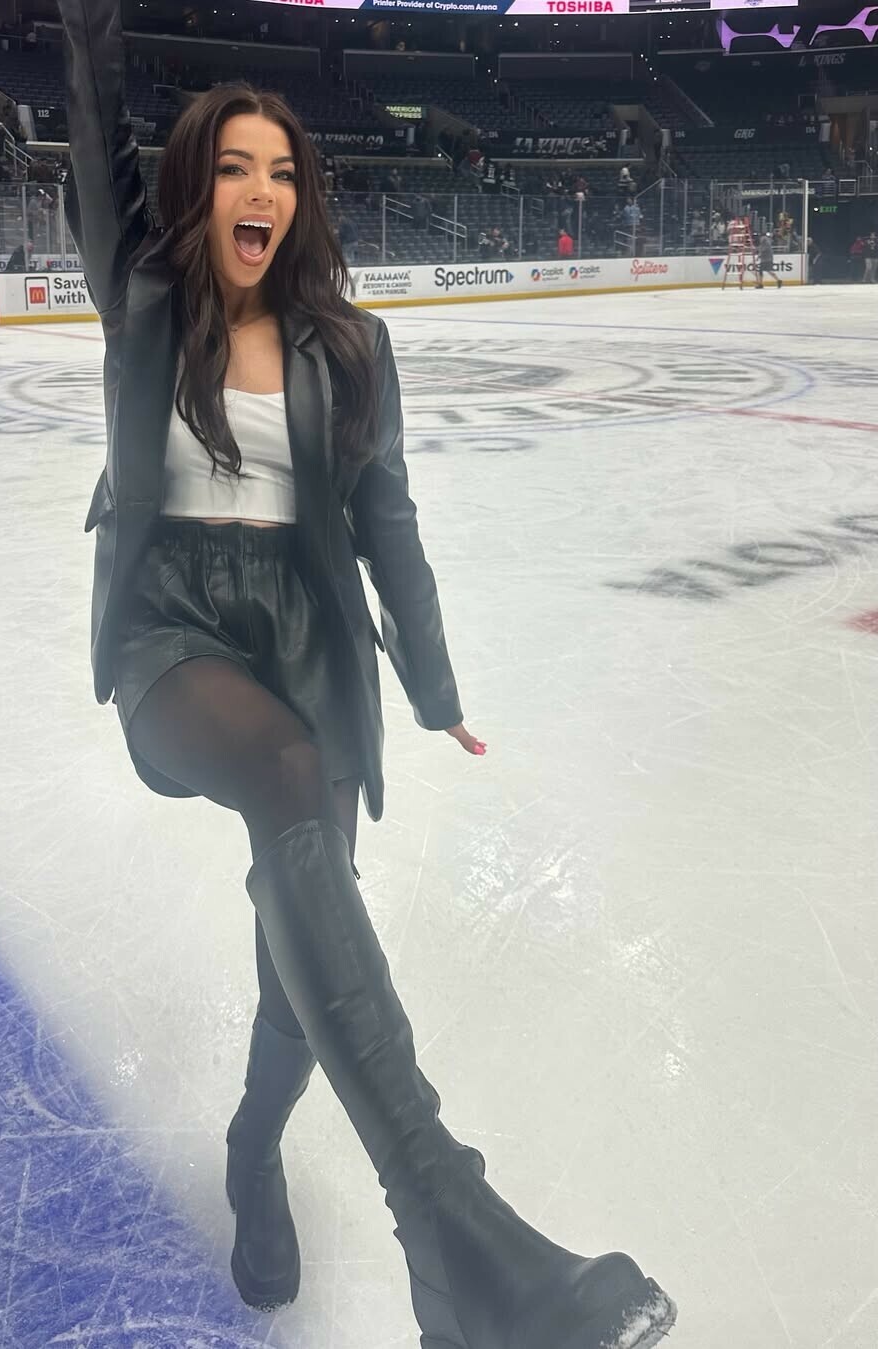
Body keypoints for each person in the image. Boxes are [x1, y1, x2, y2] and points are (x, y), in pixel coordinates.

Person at [59, 1, 678, 1346]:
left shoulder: (350, 345)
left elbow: (388, 521)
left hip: (306, 634)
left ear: (304, 199)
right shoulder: (145, 298)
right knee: (284, 772)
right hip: (172, 628)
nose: (260, 191)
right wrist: (87, 27)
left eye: (282, 171)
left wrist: (436, 686)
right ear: (194, 187)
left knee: (299, 949)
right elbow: (96, 135)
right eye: (233, 167)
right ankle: (453, 1225)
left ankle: (253, 1150)